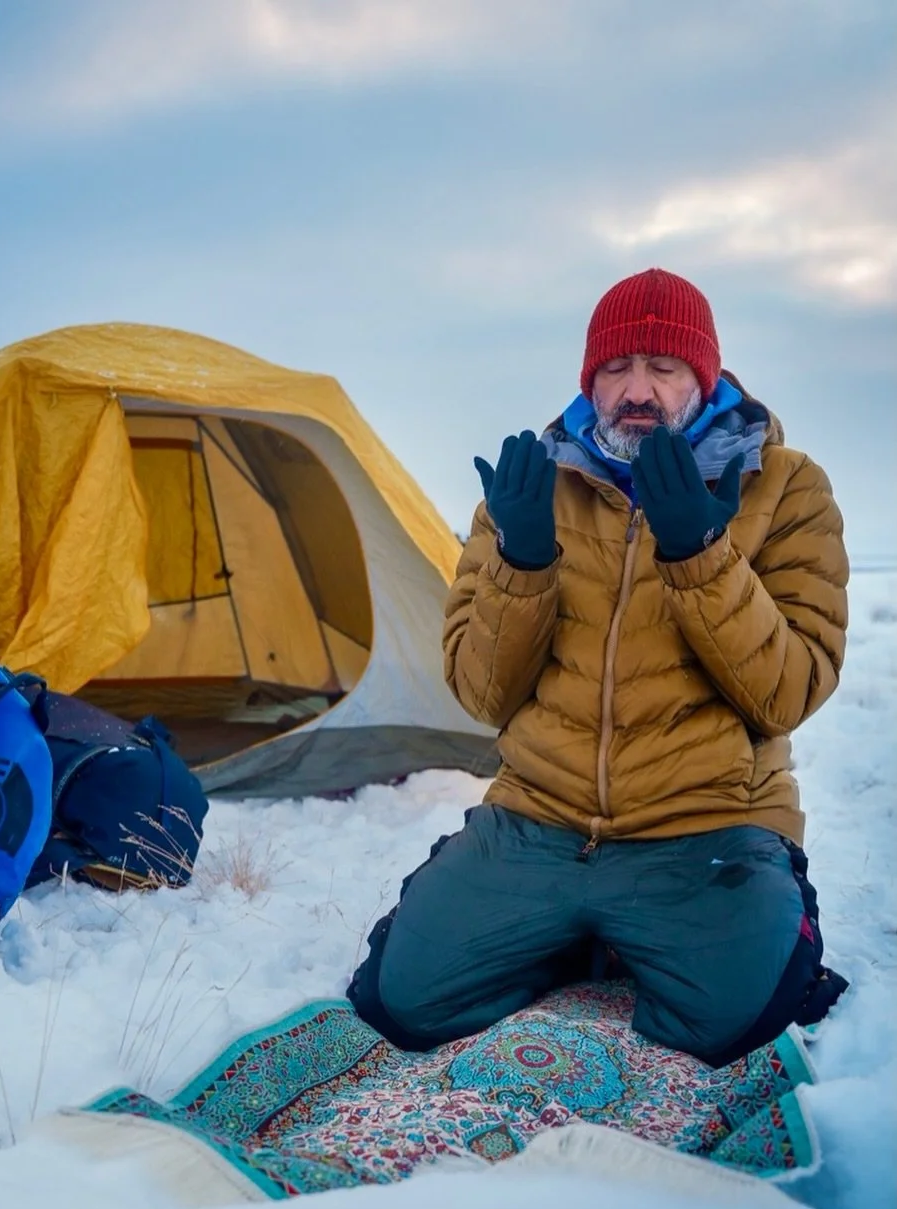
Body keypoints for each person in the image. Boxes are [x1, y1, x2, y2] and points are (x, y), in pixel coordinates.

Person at [349, 268, 849, 1067]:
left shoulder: (785, 487)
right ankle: (573, 933)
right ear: (589, 380)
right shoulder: (529, 487)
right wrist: (522, 561)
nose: (636, 390)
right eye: (614, 368)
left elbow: (787, 691)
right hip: (538, 816)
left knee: (730, 1019)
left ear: (704, 376)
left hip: (702, 825)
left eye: (662, 366)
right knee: (405, 1002)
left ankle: (711, 919)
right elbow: (482, 694)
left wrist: (700, 554)